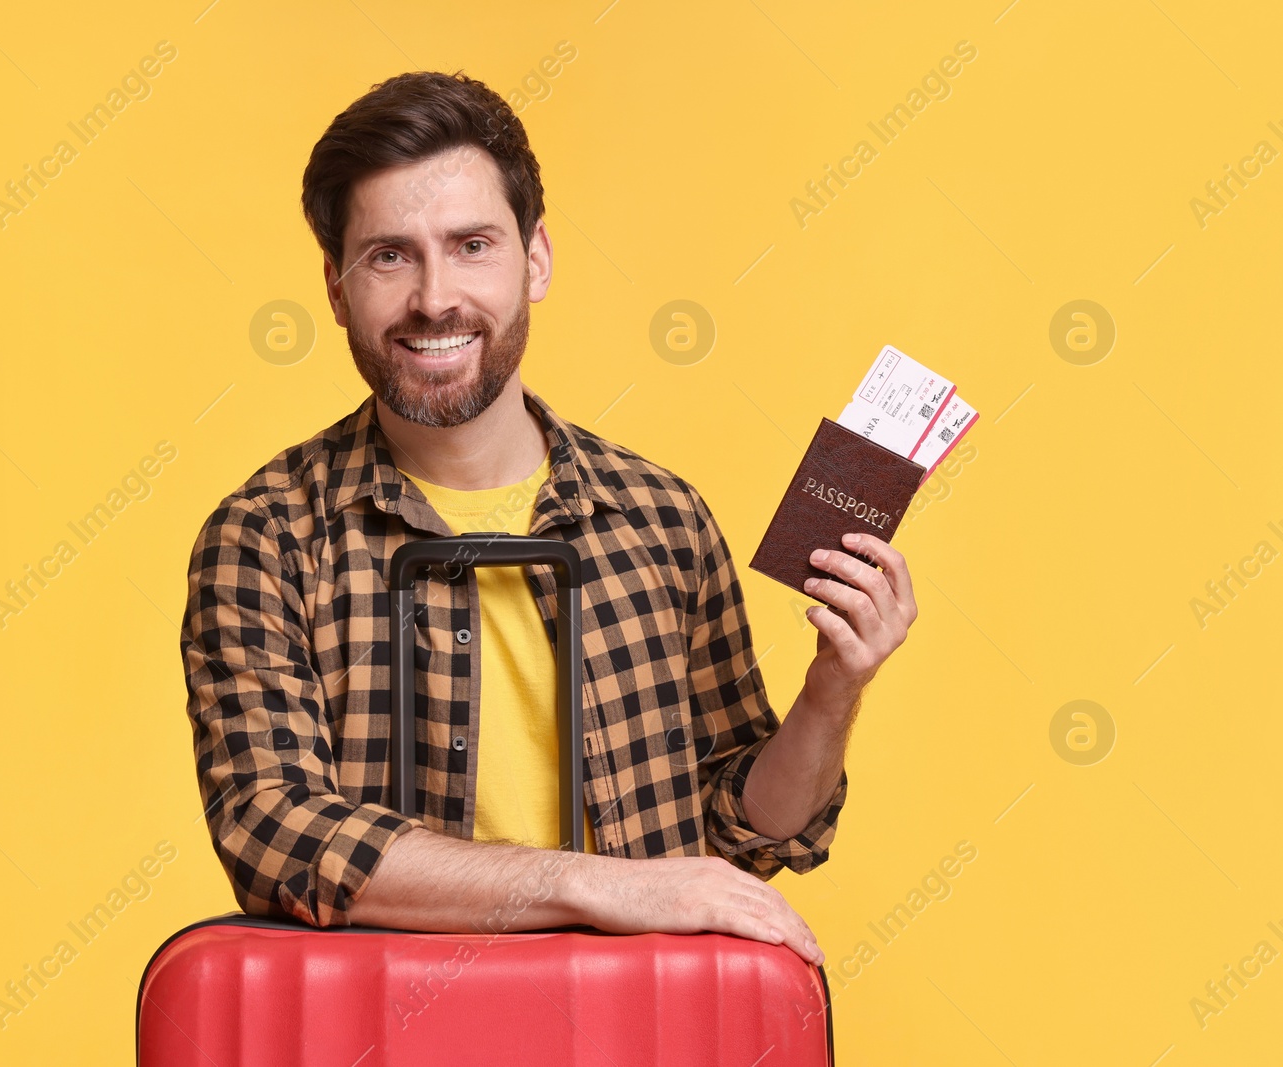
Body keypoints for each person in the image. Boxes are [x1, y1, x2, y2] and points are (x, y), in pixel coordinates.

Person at [180, 71, 919, 967]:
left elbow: (749, 834)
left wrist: (834, 687)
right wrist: (592, 882)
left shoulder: (661, 519)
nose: (434, 297)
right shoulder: (266, 537)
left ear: (535, 260)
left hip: (633, 1035)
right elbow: (278, 833)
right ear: (336, 288)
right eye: (389, 255)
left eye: (471, 244)